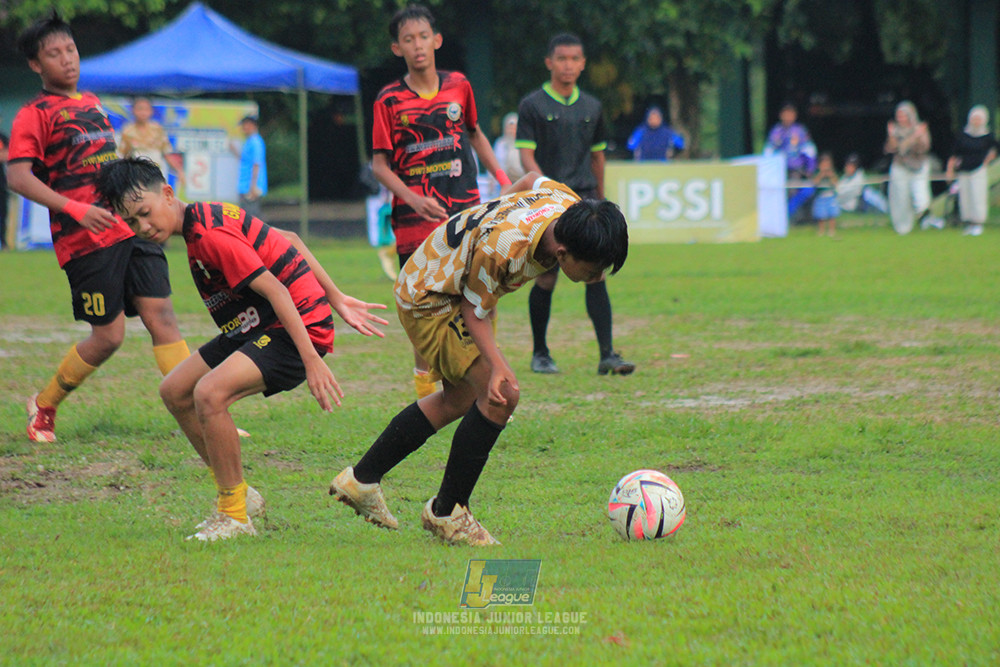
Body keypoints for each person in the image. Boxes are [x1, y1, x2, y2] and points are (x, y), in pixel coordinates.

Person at [96, 157, 389, 542]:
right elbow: (292, 240)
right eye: (132, 222)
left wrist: (312, 358)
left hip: (292, 326)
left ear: (167, 194)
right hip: (254, 324)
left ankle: (234, 515)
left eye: (145, 213)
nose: (143, 227)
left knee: (209, 393)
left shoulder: (210, 235)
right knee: (175, 389)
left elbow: (277, 290)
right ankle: (241, 496)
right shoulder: (202, 217)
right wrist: (336, 296)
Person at [329, 171, 629, 546]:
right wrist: (499, 367)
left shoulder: (567, 202)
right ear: (563, 254)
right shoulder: (505, 248)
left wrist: (496, 209)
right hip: (432, 297)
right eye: (592, 270)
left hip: (456, 282)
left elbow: (532, 178)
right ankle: (448, 512)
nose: (597, 278)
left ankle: (361, 480)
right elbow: (474, 314)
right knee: (502, 393)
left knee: (461, 399)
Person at [8, 14, 191, 444]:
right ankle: (45, 403)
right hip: (85, 241)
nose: (67, 60)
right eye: (54, 54)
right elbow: (17, 177)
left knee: (162, 317)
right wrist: (74, 208)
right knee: (108, 337)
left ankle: (201, 410)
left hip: (130, 229)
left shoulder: (91, 103)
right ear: (36, 64)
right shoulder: (33, 115)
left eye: (70, 49)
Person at [371, 3, 509, 399]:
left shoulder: (459, 86)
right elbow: (380, 165)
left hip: (464, 211)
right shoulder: (389, 100)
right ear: (397, 48)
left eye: (423, 37)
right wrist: (413, 199)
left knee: (483, 293)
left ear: (437, 41)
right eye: (408, 40)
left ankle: (490, 383)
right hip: (414, 221)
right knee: (422, 306)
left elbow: (476, 133)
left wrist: (501, 178)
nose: (418, 46)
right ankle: (425, 392)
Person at [515, 32, 635, 376]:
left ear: (583, 64)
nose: (568, 65)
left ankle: (607, 354)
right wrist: (546, 189)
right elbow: (526, 155)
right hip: (549, 204)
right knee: (545, 277)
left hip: (585, 200)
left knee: (596, 273)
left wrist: (600, 200)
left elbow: (598, 159)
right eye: (562, 59)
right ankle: (540, 353)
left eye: (574, 59)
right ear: (550, 62)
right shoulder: (532, 105)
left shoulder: (593, 107)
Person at [945, 105, 998, 237]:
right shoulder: (963, 135)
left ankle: (978, 223)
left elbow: (995, 149)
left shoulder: (988, 136)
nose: (976, 121)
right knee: (965, 197)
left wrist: (987, 160)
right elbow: (955, 153)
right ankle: (968, 223)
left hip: (978, 170)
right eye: (974, 119)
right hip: (964, 170)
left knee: (978, 196)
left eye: (979, 119)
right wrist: (950, 170)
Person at [885, 101, 935, 234]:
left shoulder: (920, 128)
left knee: (921, 195)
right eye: (899, 115)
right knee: (900, 197)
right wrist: (891, 135)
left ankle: (925, 218)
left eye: (903, 115)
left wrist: (917, 137)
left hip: (918, 165)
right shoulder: (895, 130)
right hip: (900, 167)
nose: (901, 118)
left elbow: (925, 147)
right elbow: (894, 149)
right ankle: (903, 227)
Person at [763, 103, 817, 221]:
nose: (788, 117)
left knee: (794, 193)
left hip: (795, 170)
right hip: (778, 170)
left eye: (790, 114)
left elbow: (808, 150)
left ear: (795, 116)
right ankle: (777, 219)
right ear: (781, 115)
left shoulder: (800, 131)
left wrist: (810, 167)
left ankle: (790, 218)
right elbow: (768, 151)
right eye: (785, 114)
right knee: (779, 194)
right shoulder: (776, 131)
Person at [117, 97, 185, 189]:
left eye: (146, 109)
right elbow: (123, 155)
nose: (143, 113)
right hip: (136, 173)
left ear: (151, 111)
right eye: (140, 109)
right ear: (133, 110)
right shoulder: (128, 131)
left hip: (156, 171)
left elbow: (167, 152)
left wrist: (179, 171)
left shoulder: (157, 130)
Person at [236, 115, 267, 219]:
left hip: (251, 187)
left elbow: (257, 164)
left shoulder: (256, 142)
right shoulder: (249, 141)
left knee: (251, 220)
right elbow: (246, 159)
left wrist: (253, 186)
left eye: (246, 125)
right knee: (245, 218)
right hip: (245, 185)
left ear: (253, 126)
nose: (244, 128)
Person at [491, 112, 526, 197]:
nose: (511, 130)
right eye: (509, 127)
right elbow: (495, 163)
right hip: (503, 184)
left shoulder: (523, 145)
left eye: (514, 128)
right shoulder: (500, 144)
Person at [811, 152, 840, 237]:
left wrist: (831, 176)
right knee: (821, 215)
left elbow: (836, 182)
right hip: (821, 196)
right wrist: (821, 174)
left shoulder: (832, 173)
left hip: (830, 196)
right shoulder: (817, 172)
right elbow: (815, 182)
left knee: (832, 215)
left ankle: (832, 231)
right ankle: (821, 230)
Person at [0, 121, 9, 250]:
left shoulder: (2, 137)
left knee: (3, 213)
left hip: (1, 184)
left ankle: (4, 243)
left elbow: (9, 154)